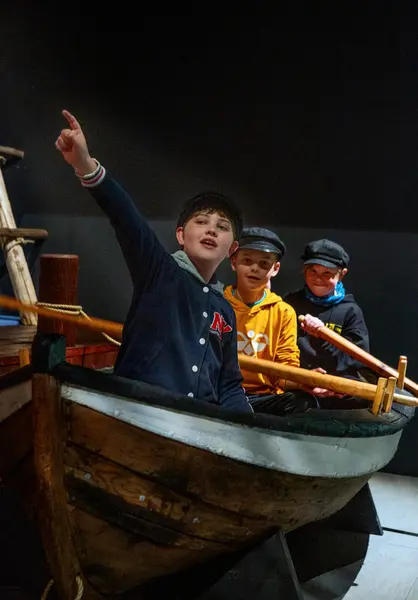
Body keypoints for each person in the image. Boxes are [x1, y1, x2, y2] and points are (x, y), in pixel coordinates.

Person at [55, 109, 252, 413]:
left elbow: (228, 386)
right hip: (139, 413)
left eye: (222, 227)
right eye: (201, 222)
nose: (212, 229)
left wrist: (247, 430)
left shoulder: (225, 310)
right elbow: (126, 218)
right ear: (180, 235)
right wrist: (85, 164)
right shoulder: (158, 270)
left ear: (232, 249)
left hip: (202, 425)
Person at [224, 227, 334, 415]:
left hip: (262, 396)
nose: (255, 268)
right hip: (223, 392)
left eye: (264, 263)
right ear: (234, 262)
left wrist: (303, 381)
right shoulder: (218, 303)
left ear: (275, 269)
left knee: (302, 402)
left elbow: (284, 373)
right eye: (247, 260)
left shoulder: (283, 312)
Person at [284, 238, 370, 381]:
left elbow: (358, 358)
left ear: (342, 274)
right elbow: (280, 349)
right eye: (313, 271)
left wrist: (324, 335)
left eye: (327, 273)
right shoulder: (289, 304)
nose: (318, 279)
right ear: (304, 270)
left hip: (337, 381)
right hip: (298, 379)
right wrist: (305, 375)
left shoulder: (350, 311)